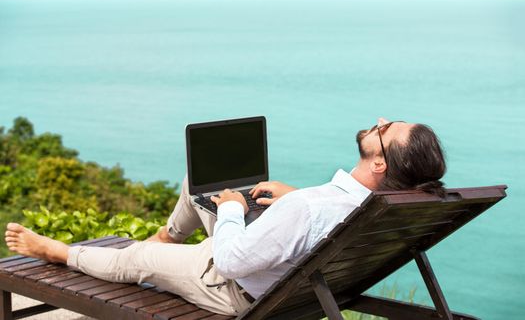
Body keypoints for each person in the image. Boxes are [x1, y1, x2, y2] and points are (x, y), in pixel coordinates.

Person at [4, 118, 446, 316]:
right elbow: (327, 216)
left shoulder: (310, 208)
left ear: (380, 165)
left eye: (387, 130)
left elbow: (232, 261)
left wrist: (234, 209)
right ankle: (168, 237)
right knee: (198, 183)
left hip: (232, 283)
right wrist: (288, 198)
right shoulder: (382, 204)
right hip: (289, 273)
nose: (381, 121)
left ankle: (60, 251)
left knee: (134, 258)